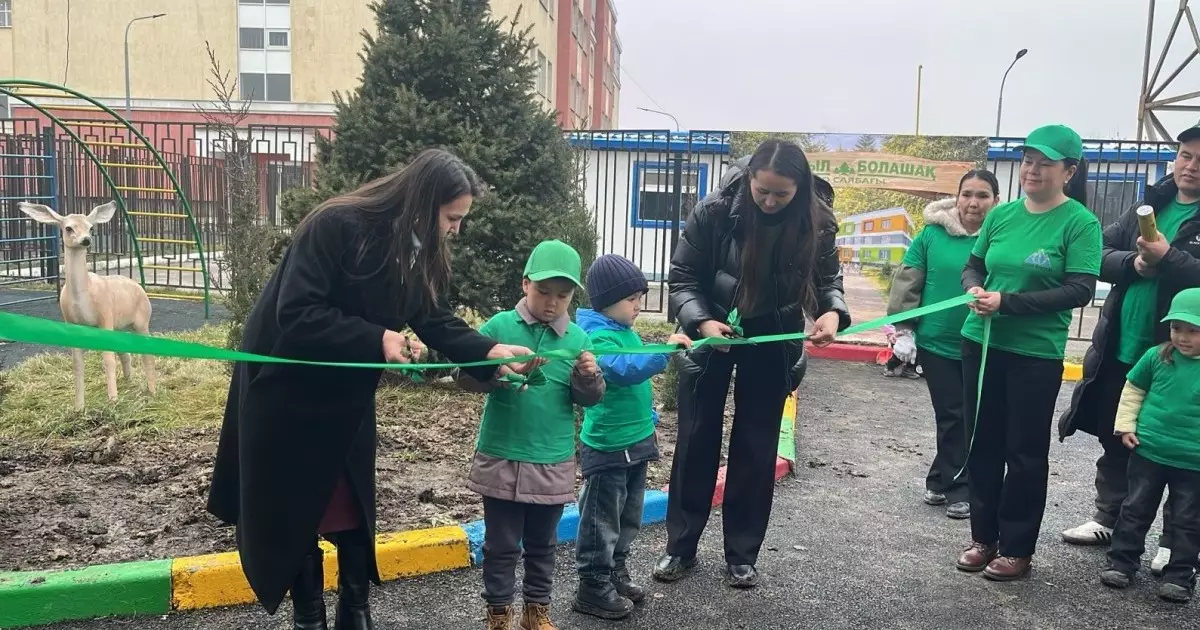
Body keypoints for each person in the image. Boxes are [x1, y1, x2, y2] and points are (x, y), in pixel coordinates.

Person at [206, 149, 539, 630]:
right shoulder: (335, 225)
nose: (456, 230)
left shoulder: (415, 247)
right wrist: (376, 338)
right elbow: (296, 312)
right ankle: (309, 618)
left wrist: (488, 352)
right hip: (285, 394)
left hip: (345, 397)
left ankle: (355, 612)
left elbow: (432, 317)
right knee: (295, 510)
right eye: (452, 217)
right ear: (422, 204)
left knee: (349, 507)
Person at [656, 139, 850, 588]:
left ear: (799, 189)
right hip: (713, 330)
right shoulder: (714, 211)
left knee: (757, 444)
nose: (769, 201)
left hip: (774, 335)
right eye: (762, 190)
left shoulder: (818, 221)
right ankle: (680, 548)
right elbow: (683, 277)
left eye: (781, 194)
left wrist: (831, 313)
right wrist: (701, 321)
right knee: (696, 437)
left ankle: (742, 555)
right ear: (749, 179)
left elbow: (828, 280)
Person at [954, 124, 1102, 581]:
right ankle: (983, 537)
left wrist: (1009, 303)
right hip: (981, 343)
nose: (1032, 170)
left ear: (1069, 171)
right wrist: (974, 288)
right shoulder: (1002, 215)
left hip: (1034, 355)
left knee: (1024, 452)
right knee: (982, 443)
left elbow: (1080, 289)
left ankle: (1017, 548)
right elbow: (973, 265)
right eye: (1028, 161)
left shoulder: (1080, 223)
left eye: (1045, 163)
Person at [1058, 122, 1200, 575]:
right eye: (1185, 155)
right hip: (1121, 345)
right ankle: (1108, 518)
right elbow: (1097, 253)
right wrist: (1135, 263)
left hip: (1179, 356)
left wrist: (1168, 258)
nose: (1191, 166)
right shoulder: (1151, 204)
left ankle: (1175, 542)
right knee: (1116, 432)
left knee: (1178, 446)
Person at [458, 240, 605, 630]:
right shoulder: (499, 327)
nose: (552, 303)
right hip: (502, 452)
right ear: (525, 284)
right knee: (501, 544)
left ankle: (536, 612)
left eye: (563, 295)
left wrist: (588, 377)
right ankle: (498, 613)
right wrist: (499, 372)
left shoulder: (578, 339)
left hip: (552, 457)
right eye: (543, 291)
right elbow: (464, 376)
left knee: (544, 543)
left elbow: (589, 399)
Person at [572, 254, 693, 620]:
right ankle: (592, 583)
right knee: (601, 519)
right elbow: (625, 370)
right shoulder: (596, 338)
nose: (639, 305)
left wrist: (648, 415)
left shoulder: (624, 330)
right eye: (632, 299)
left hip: (636, 442)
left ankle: (615, 570)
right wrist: (664, 352)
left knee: (628, 515)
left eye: (640, 297)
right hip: (609, 446)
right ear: (607, 301)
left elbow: (633, 387)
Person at [887, 169, 1000, 519]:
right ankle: (959, 488)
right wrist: (904, 329)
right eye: (967, 194)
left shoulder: (1003, 235)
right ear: (957, 197)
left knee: (974, 415)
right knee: (953, 414)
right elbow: (908, 280)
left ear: (996, 200)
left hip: (985, 342)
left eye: (983, 195)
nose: (973, 202)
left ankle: (938, 479)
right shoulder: (932, 235)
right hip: (937, 342)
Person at [1099, 287, 1200, 604]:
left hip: (1193, 461)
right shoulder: (1156, 356)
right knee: (1135, 509)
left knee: (1188, 520)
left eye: (1194, 330)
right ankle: (1121, 563)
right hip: (1149, 451)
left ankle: (1180, 576)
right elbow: (1133, 390)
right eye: (1177, 328)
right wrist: (1126, 425)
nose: (1182, 337)